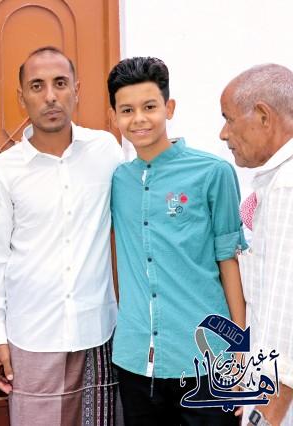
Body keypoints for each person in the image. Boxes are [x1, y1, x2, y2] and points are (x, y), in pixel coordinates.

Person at [0, 46, 123, 425]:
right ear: (21, 97)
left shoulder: (106, 151)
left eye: (60, 83)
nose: (50, 96)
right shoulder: (4, 169)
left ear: (77, 90)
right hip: (31, 337)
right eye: (37, 86)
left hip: (98, 332)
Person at [107, 56, 246, 425]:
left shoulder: (213, 173)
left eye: (149, 107)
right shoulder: (117, 181)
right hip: (137, 361)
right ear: (114, 117)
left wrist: (240, 353)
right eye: (127, 110)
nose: (139, 119)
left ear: (169, 108)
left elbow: (229, 262)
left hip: (206, 361)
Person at [220, 64, 293, 426]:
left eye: (229, 119)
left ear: (263, 116)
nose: (223, 133)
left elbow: (284, 314)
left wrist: (263, 418)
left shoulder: (286, 188)